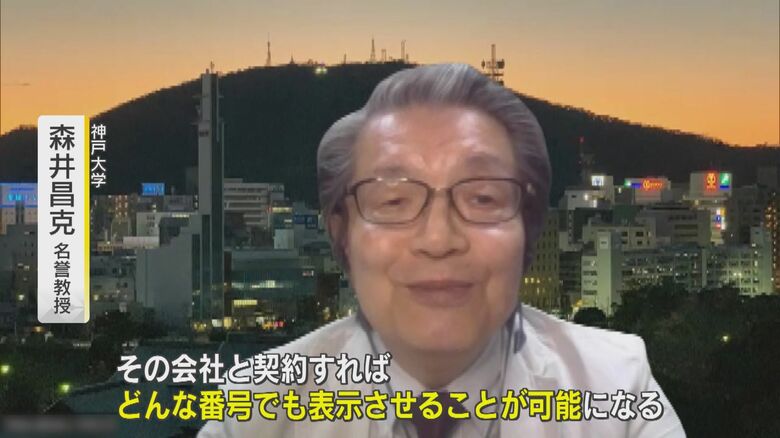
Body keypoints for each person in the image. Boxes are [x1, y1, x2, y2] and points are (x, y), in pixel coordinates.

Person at [198, 63, 686, 437]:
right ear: (341, 232)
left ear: (530, 226)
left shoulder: (616, 388)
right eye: (393, 200)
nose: (438, 239)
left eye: (483, 198)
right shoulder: (258, 406)